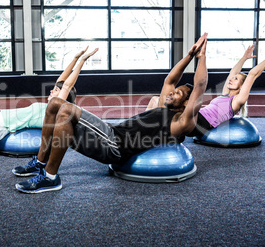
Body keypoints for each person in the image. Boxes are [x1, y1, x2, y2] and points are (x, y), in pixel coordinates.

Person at [13, 33, 209, 193]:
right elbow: (169, 81)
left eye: (179, 94)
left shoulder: (182, 121)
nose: (172, 93)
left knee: (65, 108)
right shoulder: (164, 108)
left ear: (186, 104)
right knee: (56, 105)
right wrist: (189, 56)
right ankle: (40, 163)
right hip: (111, 135)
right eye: (175, 91)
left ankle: (50, 177)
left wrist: (202, 58)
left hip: (116, 144)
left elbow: (200, 86)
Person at [186, 42, 265, 137]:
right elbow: (233, 72)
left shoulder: (236, 101)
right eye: (233, 78)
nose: (231, 79)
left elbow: (252, 74)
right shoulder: (225, 94)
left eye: (236, 79)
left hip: (202, 123)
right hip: (197, 115)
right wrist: (244, 58)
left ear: (241, 86)